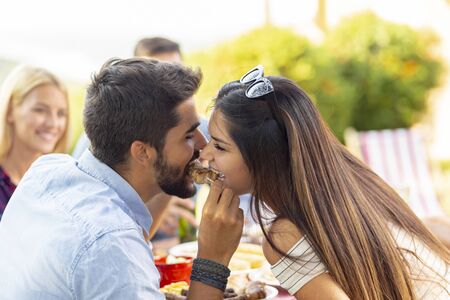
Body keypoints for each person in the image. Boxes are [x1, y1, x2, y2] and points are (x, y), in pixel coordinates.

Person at [200, 65, 450, 299]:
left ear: (263, 158)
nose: (204, 155)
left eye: (219, 146)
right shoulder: (352, 179)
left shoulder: (285, 235)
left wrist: (211, 256)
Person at [0, 58, 243, 299]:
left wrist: (175, 175)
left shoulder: (48, 169)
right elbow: (113, 248)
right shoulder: (111, 247)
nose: (203, 145)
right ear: (143, 152)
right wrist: (212, 260)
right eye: (189, 136)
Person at [0, 65, 70, 221]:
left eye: (61, 114)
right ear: (10, 111)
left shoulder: (61, 185)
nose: (53, 123)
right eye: (40, 110)